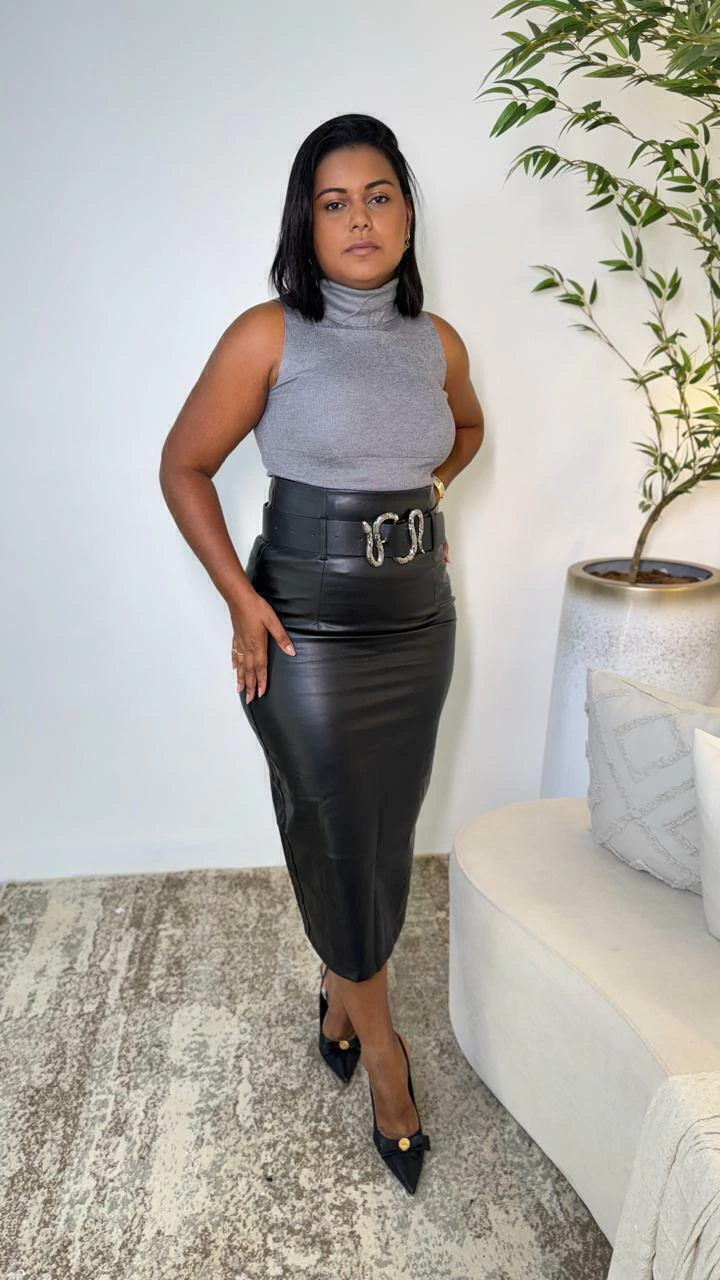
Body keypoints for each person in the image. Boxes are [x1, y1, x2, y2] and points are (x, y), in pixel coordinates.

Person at [159, 112, 485, 1195]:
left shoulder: (438, 343)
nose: (359, 218)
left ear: (407, 214)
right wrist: (242, 601)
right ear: (307, 221)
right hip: (304, 629)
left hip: (418, 625)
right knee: (342, 835)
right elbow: (183, 466)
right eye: (334, 201)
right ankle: (385, 1053)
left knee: (381, 833)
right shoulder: (270, 335)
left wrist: (428, 496)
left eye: (379, 195)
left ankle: (343, 999)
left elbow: (465, 430)